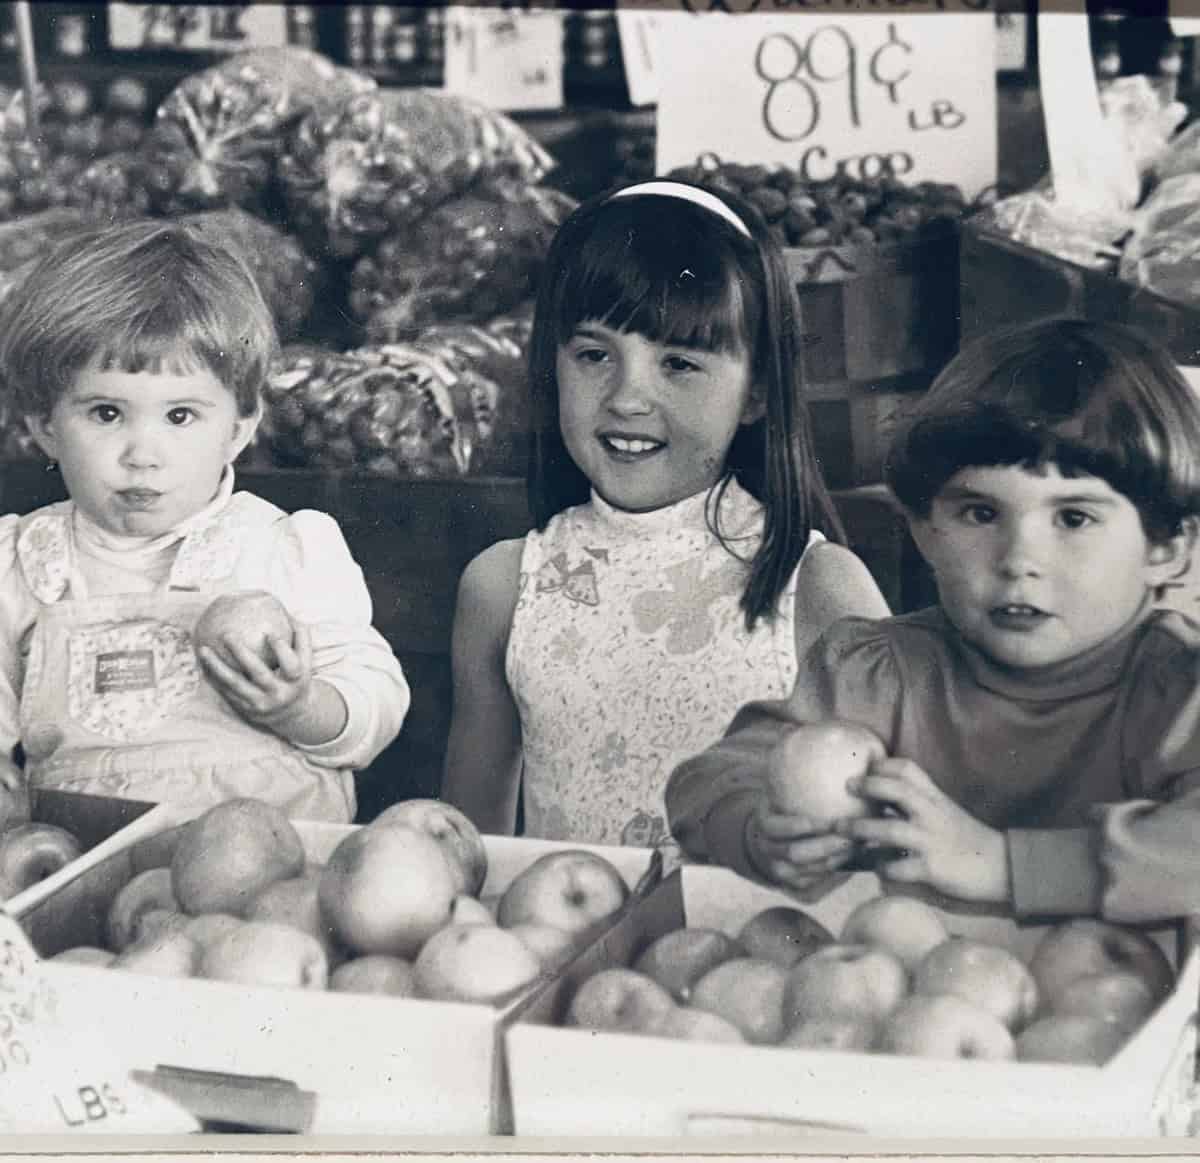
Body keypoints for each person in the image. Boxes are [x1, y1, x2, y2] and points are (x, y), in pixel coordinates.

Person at [667, 318, 1200, 923]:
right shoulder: (876, 674)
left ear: (1167, 548)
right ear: (925, 530)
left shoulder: (1178, 693)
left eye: (1073, 518)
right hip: (895, 972)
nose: (1019, 560)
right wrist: (756, 830)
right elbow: (707, 780)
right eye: (980, 513)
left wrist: (1000, 864)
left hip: (1124, 982)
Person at [443, 180, 888, 849]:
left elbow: (883, 836)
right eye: (594, 355)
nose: (627, 398)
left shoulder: (818, 588)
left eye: (678, 363)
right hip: (562, 913)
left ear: (757, 392)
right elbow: (469, 847)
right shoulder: (503, 587)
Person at [0, 220, 409, 824]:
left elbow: (376, 699)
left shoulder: (283, 547)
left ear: (238, 429)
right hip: (85, 859)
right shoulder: (21, 563)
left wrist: (300, 708)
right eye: (107, 413)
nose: (143, 453)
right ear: (45, 428)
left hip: (273, 860)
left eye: (180, 416)